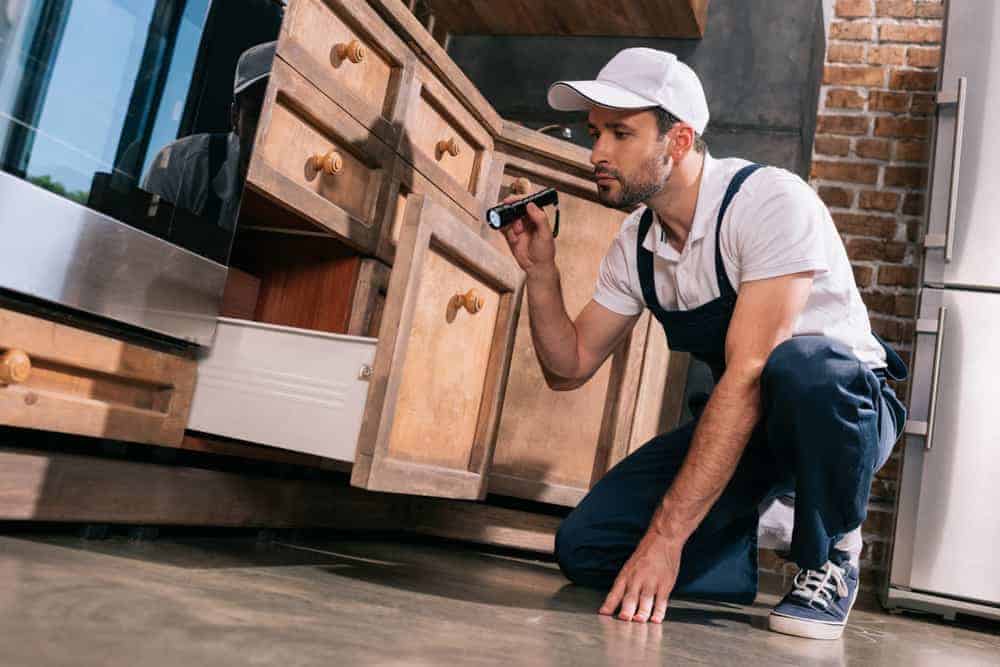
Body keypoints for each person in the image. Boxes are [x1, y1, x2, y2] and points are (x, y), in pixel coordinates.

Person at [497, 47, 907, 640]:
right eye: (594, 133)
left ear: (679, 141)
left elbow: (750, 372)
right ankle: (745, 541)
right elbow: (569, 366)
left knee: (805, 367)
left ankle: (832, 552)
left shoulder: (768, 202)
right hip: (752, 425)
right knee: (585, 547)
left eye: (620, 133)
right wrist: (541, 273)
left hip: (842, 415)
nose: (597, 154)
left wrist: (667, 539)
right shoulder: (637, 244)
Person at [142, 40, 275, 233]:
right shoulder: (181, 165)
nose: (269, 129)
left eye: (281, 116)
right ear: (235, 117)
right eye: (258, 113)